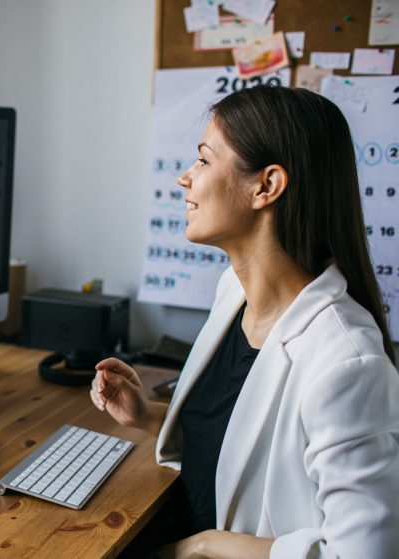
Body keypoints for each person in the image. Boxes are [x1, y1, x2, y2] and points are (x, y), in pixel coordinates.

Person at [90, 86, 399, 558]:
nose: (184, 178)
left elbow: (362, 553)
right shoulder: (233, 292)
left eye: (203, 160)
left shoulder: (348, 363)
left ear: (266, 186)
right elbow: (244, 450)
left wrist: (205, 545)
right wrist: (148, 416)